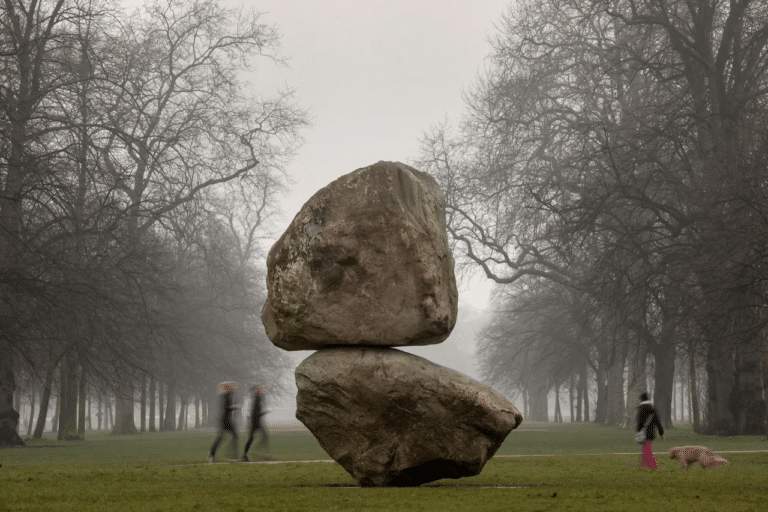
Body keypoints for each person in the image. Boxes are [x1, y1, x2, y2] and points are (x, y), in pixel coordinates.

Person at [208, 382, 240, 463]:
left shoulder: (229, 395)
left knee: (227, 437)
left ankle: (214, 454)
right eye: (232, 387)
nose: (234, 388)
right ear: (228, 388)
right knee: (225, 437)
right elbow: (226, 408)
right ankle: (229, 455)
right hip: (225, 420)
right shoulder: (226, 396)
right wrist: (234, 407)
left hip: (227, 420)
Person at [635, 392, 664, 470]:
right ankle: (641, 466)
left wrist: (638, 432)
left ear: (641, 400)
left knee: (647, 451)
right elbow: (658, 422)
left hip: (643, 433)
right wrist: (661, 433)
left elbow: (639, 422)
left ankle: (653, 466)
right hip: (651, 432)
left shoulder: (640, 409)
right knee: (645, 449)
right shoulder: (653, 409)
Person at [241, 385, 268, 461]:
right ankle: (246, 455)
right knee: (258, 438)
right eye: (259, 389)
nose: (262, 390)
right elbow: (255, 412)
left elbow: (254, 412)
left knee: (255, 438)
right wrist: (263, 412)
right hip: (255, 422)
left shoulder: (257, 398)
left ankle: (245, 455)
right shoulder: (257, 398)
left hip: (255, 422)